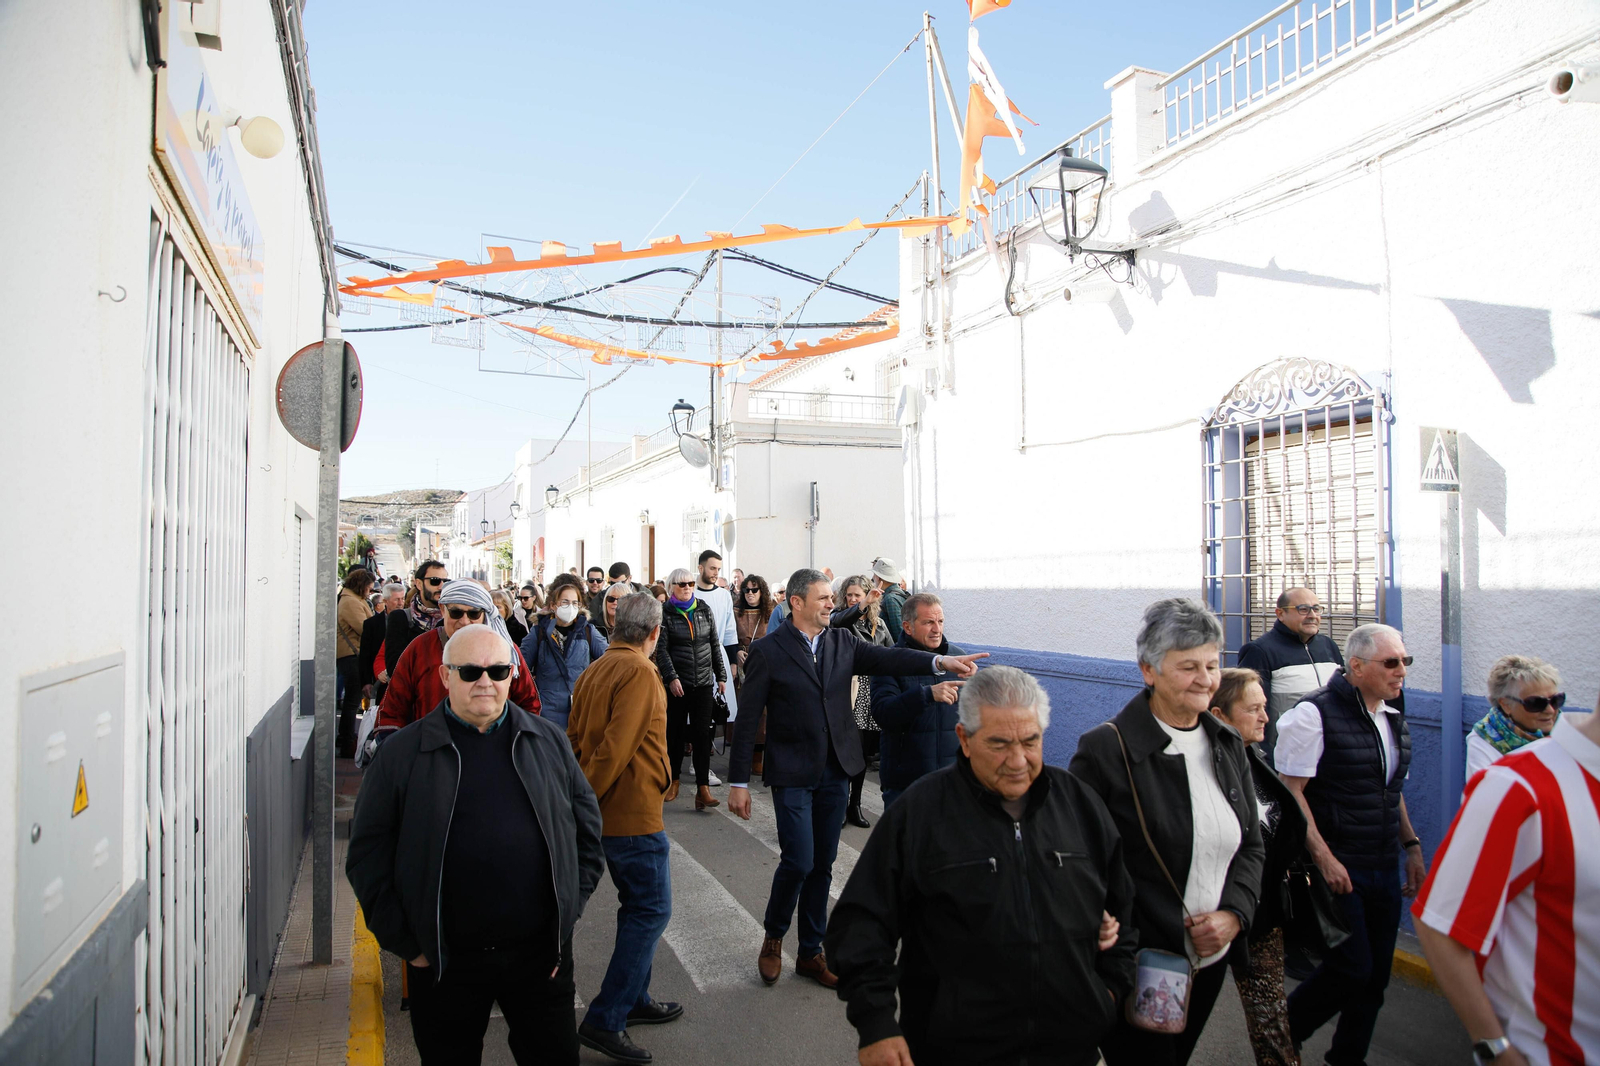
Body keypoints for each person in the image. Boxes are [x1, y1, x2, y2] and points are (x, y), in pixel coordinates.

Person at [827, 666, 1137, 1066]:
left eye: (1030, 741)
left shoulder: (1080, 806)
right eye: (999, 744)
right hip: (953, 1052)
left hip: (1070, 1050)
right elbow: (861, 925)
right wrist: (876, 1024)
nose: (1018, 760)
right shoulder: (921, 812)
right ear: (965, 739)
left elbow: (1124, 910)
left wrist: (1108, 992)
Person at [346, 623, 604, 1065]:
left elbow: (586, 835)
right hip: (444, 964)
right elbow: (367, 857)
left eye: (498, 670)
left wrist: (565, 918)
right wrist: (410, 946)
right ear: (445, 676)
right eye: (470, 671)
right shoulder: (402, 755)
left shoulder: (547, 742)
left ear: (512, 676)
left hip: (539, 960)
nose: (485, 681)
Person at [727, 568, 987, 989]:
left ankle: (810, 952)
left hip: (836, 769)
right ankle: (774, 937)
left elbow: (891, 658)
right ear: (797, 602)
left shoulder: (842, 642)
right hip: (792, 772)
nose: (832, 603)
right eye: (823, 598)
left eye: (831, 598)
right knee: (798, 861)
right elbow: (748, 718)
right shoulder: (768, 651)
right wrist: (738, 782)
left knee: (823, 864)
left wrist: (939, 661)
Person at [1070, 598, 1264, 1066]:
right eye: (1188, 666)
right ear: (1149, 671)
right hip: (1138, 963)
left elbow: (1251, 845)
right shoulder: (1106, 751)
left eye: (1212, 665)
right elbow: (1075, 858)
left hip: (1209, 961)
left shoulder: (1226, 742)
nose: (1205, 679)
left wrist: (1234, 914)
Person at [1412, 699, 1600, 1066]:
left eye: (1555, 699)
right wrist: (1495, 1049)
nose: (1548, 708)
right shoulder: (1517, 785)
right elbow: (1440, 923)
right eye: (1536, 701)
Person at [1276, 623, 1426, 1066]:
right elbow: (1291, 793)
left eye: (1405, 661)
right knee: (1351, 968)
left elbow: (1389, 789)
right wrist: (1324, 858)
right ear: (1356, 666)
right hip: (1339, 865)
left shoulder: (1391, 716)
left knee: (1375, 978)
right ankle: (1281, 1034)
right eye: (1391, 662)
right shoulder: (1313, 715)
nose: (1401, 671)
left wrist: (1411, 846)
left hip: (1382, 863)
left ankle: (1347, 1058)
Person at [567, 594, 682, 1064]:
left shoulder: (596, 669)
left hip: (614, 810)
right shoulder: (638, 671)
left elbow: (575, 739)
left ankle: (635, 998)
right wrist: (584, 801)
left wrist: (582, 795)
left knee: (637, 909)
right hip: (630, 813)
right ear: (654, 633)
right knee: (651, 910)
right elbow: (615, 748)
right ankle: (607, 1016)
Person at [1207, 667, 1307, 1066]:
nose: (1266, 717)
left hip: (1261, 916)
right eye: (1253, 709)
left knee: (1272, 1025)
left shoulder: (1256, 758)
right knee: (1174, 1021)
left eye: (1264, 707)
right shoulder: (1199, 769)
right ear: (1219, 715)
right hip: (1208, 918)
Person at [379, 580, 541, 731]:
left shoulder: (504, 649)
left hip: (494, 745)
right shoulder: (421, 648)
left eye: (473, 614)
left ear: (484, 614)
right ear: (443, 609)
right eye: (456, 613)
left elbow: (529, 703)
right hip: (431, 744)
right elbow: (393, 707)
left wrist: (516, 741)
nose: (464, 621)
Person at [870, 592, 968, 811]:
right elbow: (883, 713)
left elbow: (972, 720)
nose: (937, 629)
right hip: (906, 784)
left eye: (940, 621)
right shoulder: (889, 661)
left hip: (952, 782)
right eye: (928, 622)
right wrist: (926, 695)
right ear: (907, 627)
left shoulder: (958, 658)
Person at [1236, 587, 1345, 764]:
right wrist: (1266, 760)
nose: (1312, 615)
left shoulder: (1328, 646)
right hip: (1287, 758)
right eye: (1303, 609)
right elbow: (1251, 711)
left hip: (1331, 755)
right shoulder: (1260, 651)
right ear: (1280, 614)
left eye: (1316, 609)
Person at [655, 568, 726, 809]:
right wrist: (671, 677)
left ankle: (703, 788)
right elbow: (661, 650)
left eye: (690, 584)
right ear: (671, 587)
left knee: (702, 736)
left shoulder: (704, 609)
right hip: (678, 684)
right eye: (681, 584)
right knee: (674, 734)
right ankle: (673, 781)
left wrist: (721, 675)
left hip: (703, 682)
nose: (687, 588)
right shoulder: (665, 613)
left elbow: (714, 643)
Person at [832, 575, 892, 829]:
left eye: (858, 595)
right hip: (850, 690)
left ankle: (854, 805)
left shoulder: (879, 624)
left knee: (864, 753)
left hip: (873, 690)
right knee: (848, 751)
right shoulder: (841, 619)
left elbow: (891, 654)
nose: (852, 599)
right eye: (849, 595)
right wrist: (862, 605)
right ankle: (839, 805)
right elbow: (837, 622)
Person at [520, 574, 609, 731]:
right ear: (553, 605)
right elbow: (521, 667)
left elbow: (609, 659)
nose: (570, 607)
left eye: (575, 603)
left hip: (579, 711)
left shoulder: (587, 631)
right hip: (546, 714)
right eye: (565, 602)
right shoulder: (539, 632)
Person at [1466, 655, 1565, 778]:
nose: (1550, 710)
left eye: (1556, 700)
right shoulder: (1484, 741)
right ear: (1506, 704)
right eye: (1536, 703)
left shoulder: (1568, 731)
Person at [694, 550, 741, 762]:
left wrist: (732, 661)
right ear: (700, 568)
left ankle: (705, 757)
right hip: (694, 656)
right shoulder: (691, 593)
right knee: (695, 710)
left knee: (714, 706)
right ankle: (695, 757)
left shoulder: (723, 595)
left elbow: (730, 629)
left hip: (718, 655)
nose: (716, 573)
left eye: (719, 569)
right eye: (712, 568)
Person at [735, 574, 775, 776]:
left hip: (764, 663)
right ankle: (743, 758)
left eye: (754, 590)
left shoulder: (771, 611)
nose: (750, 593)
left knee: (764, 714)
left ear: (762, 592)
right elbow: (728, 635)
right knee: (744, 711)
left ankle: (759, 756)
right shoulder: (736, 611)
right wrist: (736, 651)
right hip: (742, 666)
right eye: (746, 590)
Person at [337, 568, 376, 757]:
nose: (370, 592)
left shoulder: (352, 599)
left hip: (352, 653)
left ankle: (346, 738)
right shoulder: (350, 602)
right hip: (351, 654)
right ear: (362, 586)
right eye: (369, 588)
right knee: (352, 700)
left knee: (352, 699)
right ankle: (347, 740)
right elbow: (364, 628)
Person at [388, 560, 447, 682]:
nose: (441, 587)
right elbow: (394, 666)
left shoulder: (452, 618)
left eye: (445, 582)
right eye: (435, 581)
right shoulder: (400, 618)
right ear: (419, 584)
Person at [362, 581, 405, 701]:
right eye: (396, 599)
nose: (400, 603)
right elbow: (366, 655)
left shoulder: (411, 620)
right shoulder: (371, 624)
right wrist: (366, 681)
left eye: (402, 598)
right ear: (385, 601)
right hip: (381, 681)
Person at [869, 558, 910, 637]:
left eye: (874, 574)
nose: (873, 578)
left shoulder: (890, 599)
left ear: (878, 577)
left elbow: (899, 632)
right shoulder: (899, 593)